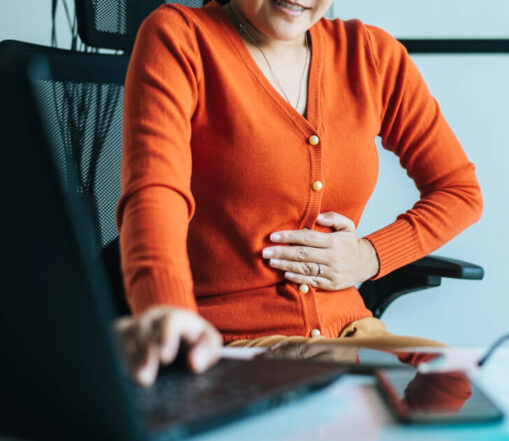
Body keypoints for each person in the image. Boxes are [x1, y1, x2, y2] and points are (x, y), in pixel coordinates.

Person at [116, 0, 483, 386]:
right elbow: (155, 194)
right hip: (234, 349)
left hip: (355, 338)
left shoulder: (372, 55)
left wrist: (370, 256)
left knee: (459, 392)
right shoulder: (181, 37)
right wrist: (167, 313)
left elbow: (459, 191)